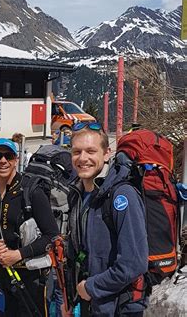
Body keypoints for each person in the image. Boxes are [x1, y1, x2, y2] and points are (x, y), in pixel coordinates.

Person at [66, 122, 148, 316]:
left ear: (107, 153)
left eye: (91, 151)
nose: (83, 158)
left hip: (118, 307)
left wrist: (91, 287)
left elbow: (134, 262)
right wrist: (73, 298)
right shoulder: (77, 194)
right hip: (89, 304)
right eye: (77, 152)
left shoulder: (121, 196)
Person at [0, 138, 59, 316]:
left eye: (8, 156)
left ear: (16, 160)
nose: (3, 161)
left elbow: (52, 236)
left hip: (31, 276)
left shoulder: (32, 192)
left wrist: (18, 254)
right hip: (2, 274)